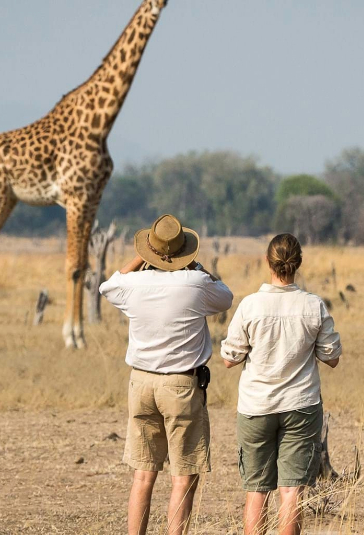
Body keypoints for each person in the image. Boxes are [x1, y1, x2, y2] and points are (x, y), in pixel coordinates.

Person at [100, 214, 234, 535]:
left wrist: (142, 256)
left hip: (141, 382)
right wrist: (198, 268)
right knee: (183, 475)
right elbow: (225, 295)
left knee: (143, 475)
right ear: (185, 251)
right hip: (182, 386)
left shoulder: (133, 285)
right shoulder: (196, 284)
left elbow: (109, 286)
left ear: (150, 249)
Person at [221, 233, 342, 535]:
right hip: (301, 405)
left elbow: (229, 358)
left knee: (257, 491)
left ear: (267, 261)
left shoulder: (250, 306)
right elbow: (332, 357)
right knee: (291, 491)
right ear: (298, 263)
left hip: (256, 407)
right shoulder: (313, 306)